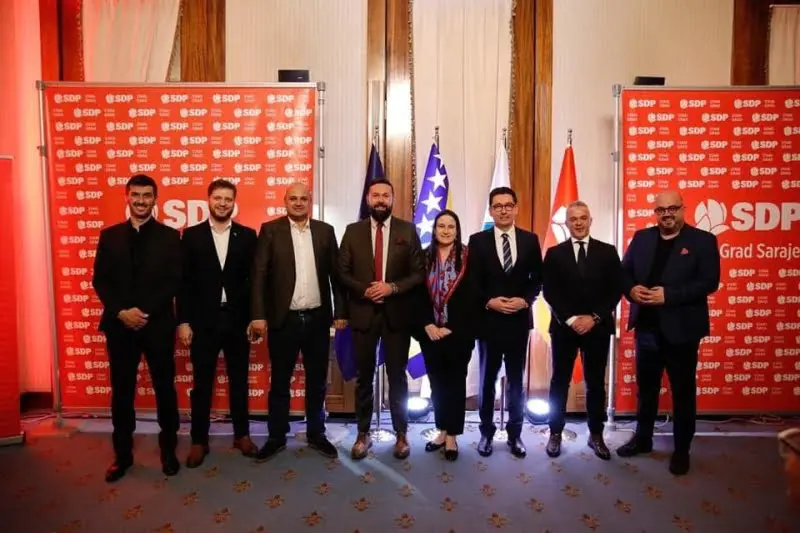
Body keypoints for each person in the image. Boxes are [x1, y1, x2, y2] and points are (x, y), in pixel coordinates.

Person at [616, 190, 720, 476]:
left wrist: (669, 295)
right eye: (661, 210)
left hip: (682, 330)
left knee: (683, 393)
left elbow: (710, 282)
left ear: (683, 209)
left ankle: (682, 450)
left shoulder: (702, 240)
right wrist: (631, 289)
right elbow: (623, 272)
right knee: (646, 390)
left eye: (672, 208)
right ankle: (643, 440)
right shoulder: (642, 238)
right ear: (655, 213)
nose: (667, 214)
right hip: (647, 328)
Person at [92, 173, 181, 482]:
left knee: (165, 390)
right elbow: (100, 280)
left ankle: (169, 452)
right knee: (122, 392)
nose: (141, 201)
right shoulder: (109, 236)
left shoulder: (170, 237)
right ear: (127, 198)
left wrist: (143, 312)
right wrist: (121, 312)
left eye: (147, 195)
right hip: (120, 326)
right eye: (136, 195)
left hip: (157, 325)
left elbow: (173, 280)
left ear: (155, 199)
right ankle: (122, 455)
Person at [249, 182, 346, 461]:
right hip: (284, 320)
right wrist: (258, 315)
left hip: (317, 319)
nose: (299, 203)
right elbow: (259, 276)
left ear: (309, 201)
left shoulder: (325, 231)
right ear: (285, 201)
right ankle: (276, 437)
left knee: (317, 381)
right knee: (280, 381)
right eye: (293, 198)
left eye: (303, 198)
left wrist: (341, 312)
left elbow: (336, 277)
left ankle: (317, 433)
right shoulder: (270, 230)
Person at [338, 178, 425, 460]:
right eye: (375, 195)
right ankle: (362, 433)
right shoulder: (352, 231)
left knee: (397, 377)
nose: (380, 200)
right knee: (364, 377)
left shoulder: (407, 230)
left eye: (385, 195)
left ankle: (401, 433)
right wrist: (366, 290)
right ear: (368, 199)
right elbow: (342, 272)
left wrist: (392, 288)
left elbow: (418, 273)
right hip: (363, 314)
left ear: (392, 199)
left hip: (396, 315)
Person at [177, 180, 258, 468]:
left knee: (239, 381)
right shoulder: (192, 235)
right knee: (202, 384)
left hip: (237, 320)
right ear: (208, 200)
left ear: (234, 202)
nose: (222, 203)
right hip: (203, 321)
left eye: (228, 199)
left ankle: (242, 435)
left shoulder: (247, 236)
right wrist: (183, 321)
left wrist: (254, 317)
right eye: (218, 198)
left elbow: (254, 282)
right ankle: (199, 440)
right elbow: (184, 283)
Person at [542, 201, 623, 460]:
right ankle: (555, 432)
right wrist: (570, 319)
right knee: (559, 382)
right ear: (566, 223)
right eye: (573, 219)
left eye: (583, 218)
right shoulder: (554, 254)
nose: (578, 222)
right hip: (564, 328)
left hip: (597, 328)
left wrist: (594, 318)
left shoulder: (607, 252)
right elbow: (549, 291)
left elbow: (615, 289)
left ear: (590, 221)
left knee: (595, 383)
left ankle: (596, 434)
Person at [468, 186, 542, 459]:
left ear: (516, 208)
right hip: (488, 322)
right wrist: (489, 301)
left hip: (518, 321)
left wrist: (525, 300)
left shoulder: (530, 240)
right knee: (487, 380)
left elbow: (538, 278)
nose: (503, 210)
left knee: (516, 381)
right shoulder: (477, 241)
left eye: (508, 205)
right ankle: (486, 433)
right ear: (491, 210)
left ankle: (515, 434)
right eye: (497, 206)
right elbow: (471, 281)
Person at [414, 210, 476, 461]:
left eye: (451, 226)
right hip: (430, 333)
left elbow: (474, 296)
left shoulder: (469, 257)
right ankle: (441, 430)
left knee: (455, 384)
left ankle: (452, 436)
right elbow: (416, 294)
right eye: (441, 226)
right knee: (437, 384)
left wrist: (452, 326)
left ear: (457, 230)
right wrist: (427, 324)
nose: (446, 230)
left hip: (458, 333)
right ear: (434, 229)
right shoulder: (423, 256)